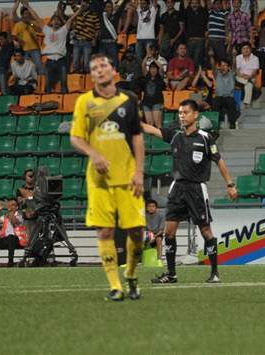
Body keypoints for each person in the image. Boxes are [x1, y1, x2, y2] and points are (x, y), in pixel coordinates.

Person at [70, 53, 146, 302]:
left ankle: (131, 275)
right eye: (94, 68)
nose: (99, 70)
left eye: (103, 65)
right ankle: (115, 286)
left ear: (114, 71)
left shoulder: (129, 100)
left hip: (127, 178)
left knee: (136, 233)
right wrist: (93, 154)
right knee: (105, 233)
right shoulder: (84, 102)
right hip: (99, 181)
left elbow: (137, 137)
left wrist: (138, 172)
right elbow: (76, 137)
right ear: (91, 76)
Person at [141, 99, 238, 283]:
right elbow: (152, 130)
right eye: (180, 113)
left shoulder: (205, 137)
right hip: (177, 188)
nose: (182, 116)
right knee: (169, 232)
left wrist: (230, 185)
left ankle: (215, 273)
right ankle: (171, 274)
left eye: (185, 112)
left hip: (196, 188)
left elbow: (219, 160)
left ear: (195, 115)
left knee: (205, 231)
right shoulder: (175, 135)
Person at [11, 1, 45, 75]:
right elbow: (13, 36)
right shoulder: (18, 24)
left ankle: (43, 83)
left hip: (35, 49)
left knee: (39, 65)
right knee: (26, 68)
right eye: (25, 14)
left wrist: (31, 23)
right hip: (24, 50)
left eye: (28, 14)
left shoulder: (33, 23)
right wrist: (18, 40)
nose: (27, 15)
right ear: (22, 15)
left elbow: (39, 30)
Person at [0, 198, 25, 267]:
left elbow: (14, 222)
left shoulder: (20, 215)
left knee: (11, 237)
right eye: (9, 205)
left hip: (18, 240)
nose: (10, 206)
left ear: (17, 207)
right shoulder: (5, 216)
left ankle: (10, 262)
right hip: (5, 239)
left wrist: (9, 210)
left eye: (13, 205)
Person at [72, 0, 100, 73]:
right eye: (83, 2)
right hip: (77, 41)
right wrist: (79, 7)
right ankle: (75, 77)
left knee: (87, 62)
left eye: (87, 3)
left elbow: (97, 29)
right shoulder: (77, 11)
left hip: (87, 42)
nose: (85, 4)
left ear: (89, 4)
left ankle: (86, 78)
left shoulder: (94, 15)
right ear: (81, 3)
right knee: (75, 61)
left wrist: (94, 38)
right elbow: (71, 3)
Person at [211, 57, 239, 129]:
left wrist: (234, 56)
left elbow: (234, 66)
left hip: (229, 97)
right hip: (219, 97)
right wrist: (211, 57)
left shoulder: (232, 74)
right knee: (215, 103)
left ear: (228, 67)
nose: (223, 67)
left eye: (225, 65)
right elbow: (212, 66)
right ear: (219, 67)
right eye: (221, 66)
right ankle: (215, 124)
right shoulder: (217, 74)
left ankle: (232, 124)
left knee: (231, 104)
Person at [184, 0, 209, 69]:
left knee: (197, 61)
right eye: (192, 3)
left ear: (199, 4)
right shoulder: (187, 11)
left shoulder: (203, 12)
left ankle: (197, 78)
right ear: (190, 4)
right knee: (188, 62)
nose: (194, 5)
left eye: (196, 3)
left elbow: (203, 5)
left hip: (200, 41)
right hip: (190, 41)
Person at [140, 62, 165, 127]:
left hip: (157, 103)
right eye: (151, 68)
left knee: (157, 124)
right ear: (149, 69)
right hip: (146, 103)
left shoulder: (160, 78)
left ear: (157, 70)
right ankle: (152, 137)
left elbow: (161, 67)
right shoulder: (146, 77)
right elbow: (143, 65)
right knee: (149, 124)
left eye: (155, 68)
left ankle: (163, 136)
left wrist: (153, 58)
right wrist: (148, 55)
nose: (153, 70)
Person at [235, 42, 259, 107]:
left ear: (250, 49)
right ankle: (246, 104)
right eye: (244, 48)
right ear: (241, 50)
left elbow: (255, 71)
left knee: (249, 84)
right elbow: (237, 70)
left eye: (247, 48)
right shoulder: (238, 57)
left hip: (251, 77)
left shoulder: (255, 58)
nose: (246, 50)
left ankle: (245, 104)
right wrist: (242, 76)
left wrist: (249, 76)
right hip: (240, 77)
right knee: (249, 83)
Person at [99, 1, 120, 68]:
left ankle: (116, 77)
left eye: (110, 7)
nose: (109, 9)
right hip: (102, 43)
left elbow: (122, 6)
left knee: (115, 62)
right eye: (107, 7)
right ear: (105, 8)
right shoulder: (102, 17)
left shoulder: (115, 16)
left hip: (112, 43)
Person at [16, 169, 35, 241]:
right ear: (25, 177)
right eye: (30, 176)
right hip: (27, 218)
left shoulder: (38, 189)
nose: (32, 178)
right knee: (29, 239)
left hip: (39, 216)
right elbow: (20, 200)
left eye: (33, 176)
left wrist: (26, 198)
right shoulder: (20, 190)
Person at [145, 199, 165, 266]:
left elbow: (161, 230)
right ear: (146, 208)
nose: (151, 208)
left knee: (159, 239)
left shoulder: (161, 215)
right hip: (147, 234)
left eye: (153, 206)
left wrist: (154, 237)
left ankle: (159, 260)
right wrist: (149, 236)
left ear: (156, 208)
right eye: (149, 206)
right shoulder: (144, 216)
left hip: (157, 235)